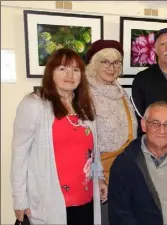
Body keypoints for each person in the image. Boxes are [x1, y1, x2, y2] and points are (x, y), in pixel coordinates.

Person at [11, 48, 107, 225]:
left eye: (76, 69)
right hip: (49, 200)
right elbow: (19, 156)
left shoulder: (85, 106)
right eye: (62, 68)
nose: (70, 74)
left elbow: (93, 150)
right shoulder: (34, 105)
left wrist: (99, 177)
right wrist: (19, 199)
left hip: (85, 198)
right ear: (50, 72)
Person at [85, 40, 138, 225]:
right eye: (105, 62)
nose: (111, 67)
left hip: (124, 174)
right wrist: (99, 177)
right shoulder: (84, 94)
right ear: (94, 64)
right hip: (99, 178)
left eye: (116, 62)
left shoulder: (121, 92)